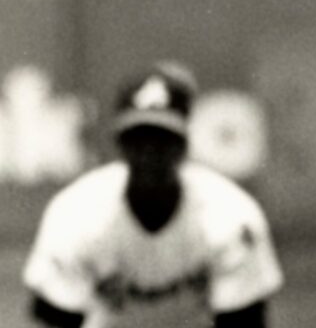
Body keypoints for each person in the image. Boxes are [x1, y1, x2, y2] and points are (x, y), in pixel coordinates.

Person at [23, 61, 284, 328]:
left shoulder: (230, 215)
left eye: (162, 140)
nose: (149, 154)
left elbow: (244, 321)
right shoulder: (76, 213)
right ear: (121, 145)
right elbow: (55, 319)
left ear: (182, 146)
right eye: (139, 139)